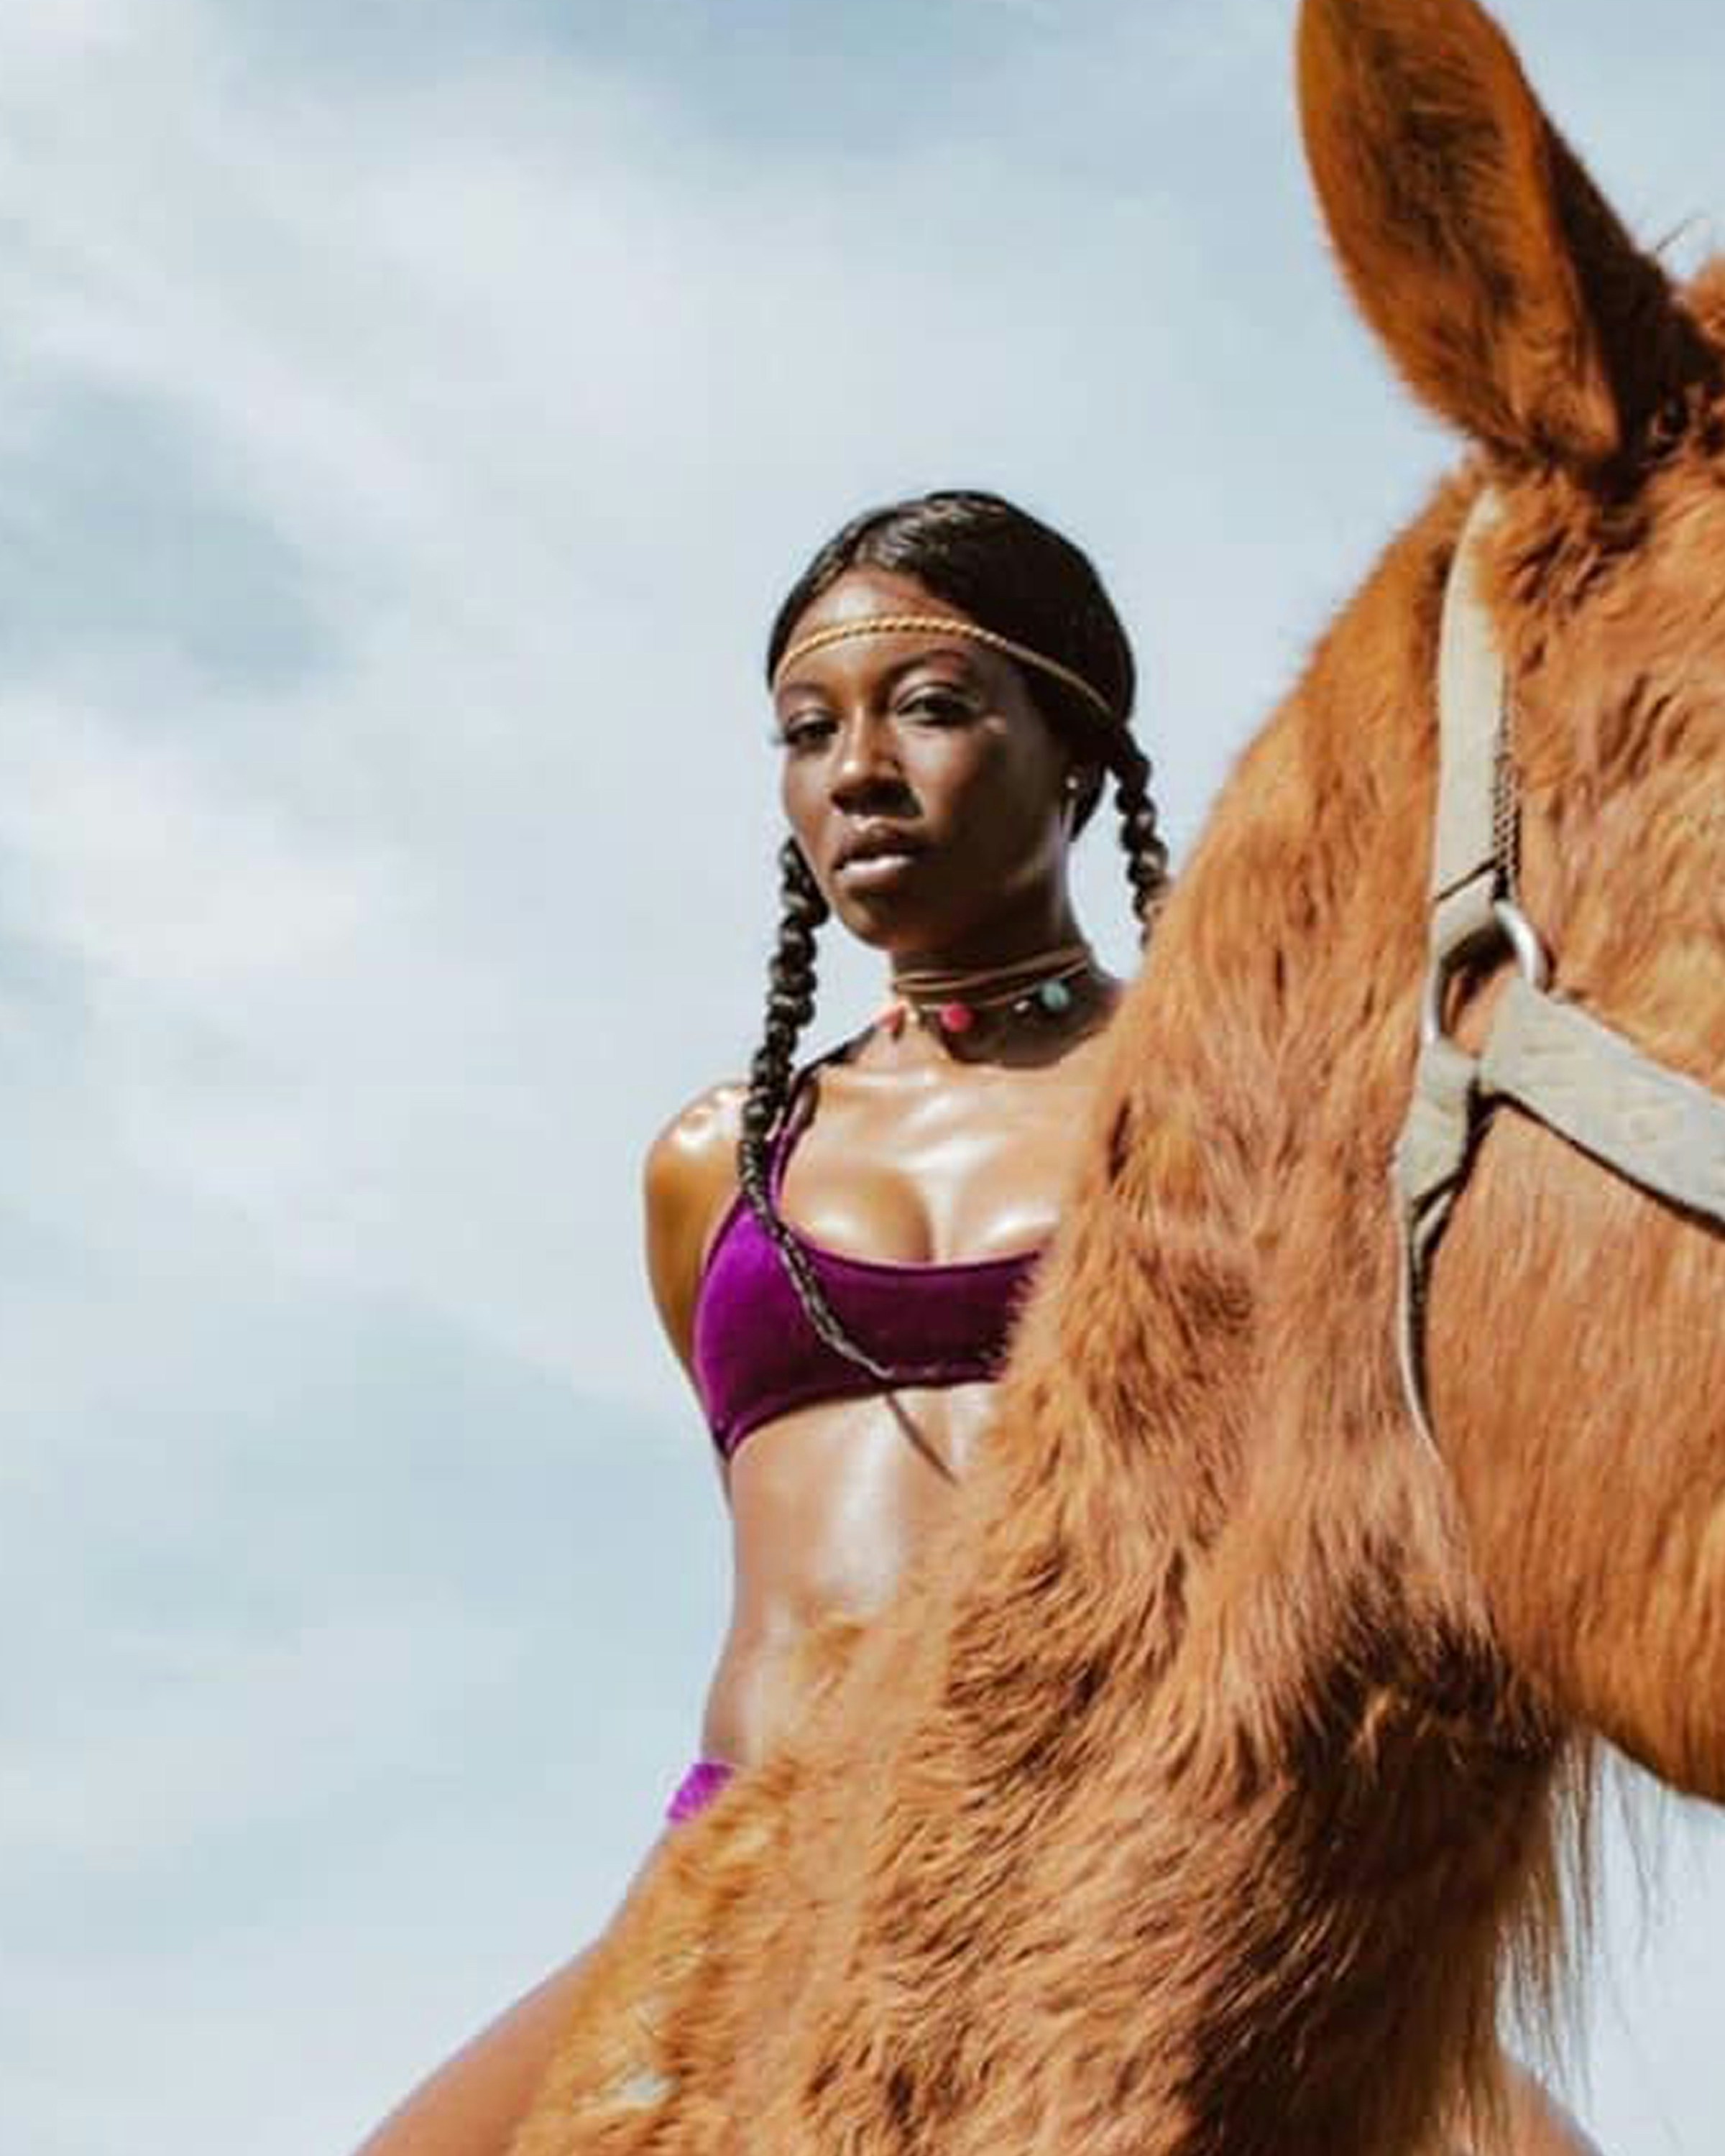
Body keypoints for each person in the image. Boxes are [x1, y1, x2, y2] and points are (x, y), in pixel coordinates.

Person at [351, 492, 1593, 2156]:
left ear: (1073, 753)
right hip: (741, 1867)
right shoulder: (714, 1167)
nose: (858, 768)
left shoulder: (1244, 1117)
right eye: (810, 730)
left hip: (1128, 1852)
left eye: (930, 706)